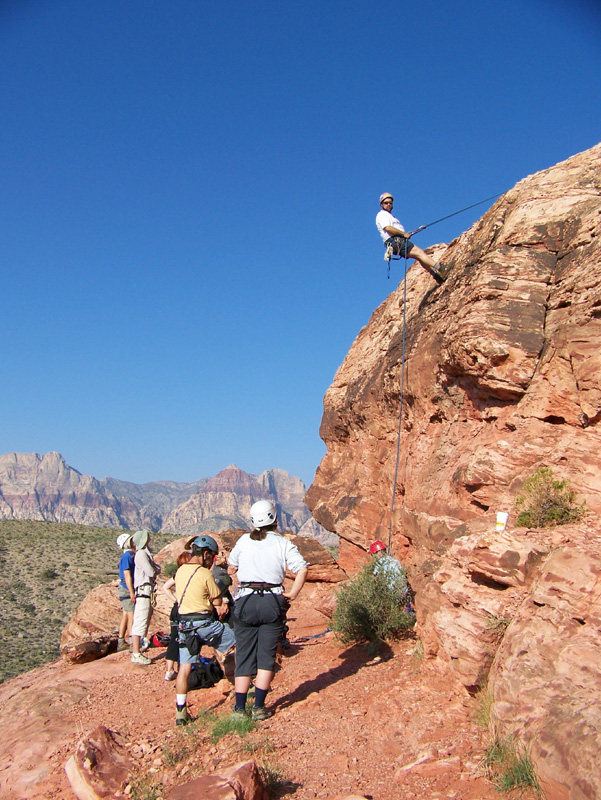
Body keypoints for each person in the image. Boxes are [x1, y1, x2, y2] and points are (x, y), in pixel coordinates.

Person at [228, 499, 308, 721]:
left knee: (243, 656)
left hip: (245, 600)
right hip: (272, 601)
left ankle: (239, 710)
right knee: (266, 657)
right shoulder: (283, 543)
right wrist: (292, 594)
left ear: (254, 521)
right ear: (274, 517)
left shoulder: (244, 541)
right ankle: (260, 708)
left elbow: (231, 562)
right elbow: (302, 569)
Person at [173, 534, 235, 726]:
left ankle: (181, 711)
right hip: (205, 624)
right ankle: (244, 685)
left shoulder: (180, 571)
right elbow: (217, 601)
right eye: (212, 557)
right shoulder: (205, 573)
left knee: (184, 668)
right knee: (238, 642)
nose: (212, 561)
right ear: (206, 554)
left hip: (184, 626)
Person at [376, 193, 447, 284]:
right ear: (381, 204)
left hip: (396, 241)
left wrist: (404, 234)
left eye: (390, 203)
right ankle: (441, 269)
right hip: (396, 241)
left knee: (419, 256)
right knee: (420, 252)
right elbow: (388, 228)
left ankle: (436, 276)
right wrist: (403, 234)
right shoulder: (382, 215)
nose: (389, 204)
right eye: (386, 203)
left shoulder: (389, 216)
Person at [130, 529, 161, 665]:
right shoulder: (142, 554)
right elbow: (150, 571)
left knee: (144, 620)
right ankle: (136, 653)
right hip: (144, 591)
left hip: (146, 591)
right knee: (140, 622)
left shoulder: (142, 553)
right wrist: (155, 570)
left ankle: (139, 648)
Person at [161, 550, 192, 681]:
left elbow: (165, 587)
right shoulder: (191, 575)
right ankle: (185, 669)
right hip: (185, 609)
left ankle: (169, 670)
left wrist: (175, 599)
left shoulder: (177, 574)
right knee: (186, 638)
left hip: (176, 609)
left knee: (174, 637)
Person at [369, 540, 413, 610]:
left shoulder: (380, 564)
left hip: (392, 596)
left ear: (377, 553)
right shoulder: (395, 561)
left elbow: (374, 579)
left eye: (374, 555)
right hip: (404, 594)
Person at [116, 533, 136, 651]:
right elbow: (127, 575)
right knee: (131, 615)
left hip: (124, 588)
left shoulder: (128, 556)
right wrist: (132, 592)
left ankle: (121, 641)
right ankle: (132, 642)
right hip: (127, 589)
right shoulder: (128, 556)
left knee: (125, 614)